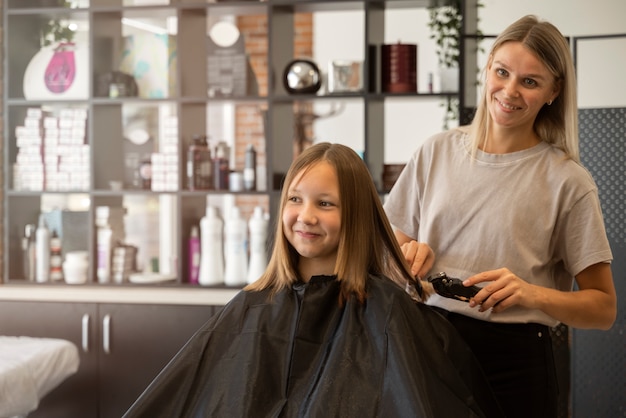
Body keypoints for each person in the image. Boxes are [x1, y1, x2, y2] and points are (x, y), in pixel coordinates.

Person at [123, 142, 504, 417]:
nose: (305, 216)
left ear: (355, 215)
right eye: (294, 199)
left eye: (325, 203)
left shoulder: (387, 313)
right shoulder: (249, 307)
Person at [384, 14, 617, 418]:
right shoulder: (434, 152)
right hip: (425, 345)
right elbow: (386, 253)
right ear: (487, 66)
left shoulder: (568, 181)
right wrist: (405, 253)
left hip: (516, 365)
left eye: (530, 81)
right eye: (502, 72)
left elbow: (603, 309)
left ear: (553, 92)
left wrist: (532, 294)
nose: (509, 91)